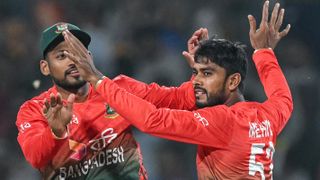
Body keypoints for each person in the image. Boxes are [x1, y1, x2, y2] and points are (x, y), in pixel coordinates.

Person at [65, 1, 292, 179]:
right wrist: (263, 51)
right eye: (196, 72)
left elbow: (152, 120)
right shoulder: (267, 116)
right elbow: (283, 98)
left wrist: (97, 79)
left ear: (233, 82)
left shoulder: (223, 121)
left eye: (207, 73)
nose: (196, 81)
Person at [16, 22, 197, 179]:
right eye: (61, 56)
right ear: (45, 67)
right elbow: (35, 157)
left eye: (77, 52)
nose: (72, 61)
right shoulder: (35, 109)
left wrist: (201, 71)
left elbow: (181, 99)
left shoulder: (119, 89)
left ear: (89, 57)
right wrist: (55, 132)